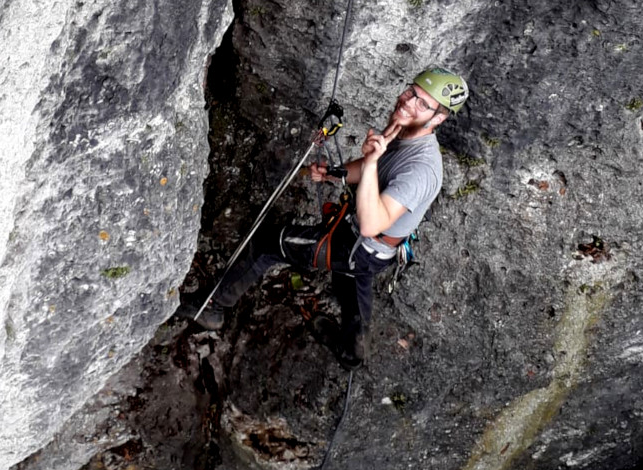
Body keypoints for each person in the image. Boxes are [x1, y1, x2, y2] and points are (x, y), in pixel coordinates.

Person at [182, 67, 469, 369]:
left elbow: (373, 219)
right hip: (371, 249)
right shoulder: (405, 130)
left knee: (268, 242)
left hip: (362, 243)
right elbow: (373, 167)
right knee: (350, 284)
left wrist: (370, 163)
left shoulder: (421, 169)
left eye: (423, 103)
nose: (409, 102)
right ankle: (352, 351)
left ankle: (213, 307)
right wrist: (335, 174)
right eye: (412, 91)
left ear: (439, 118)